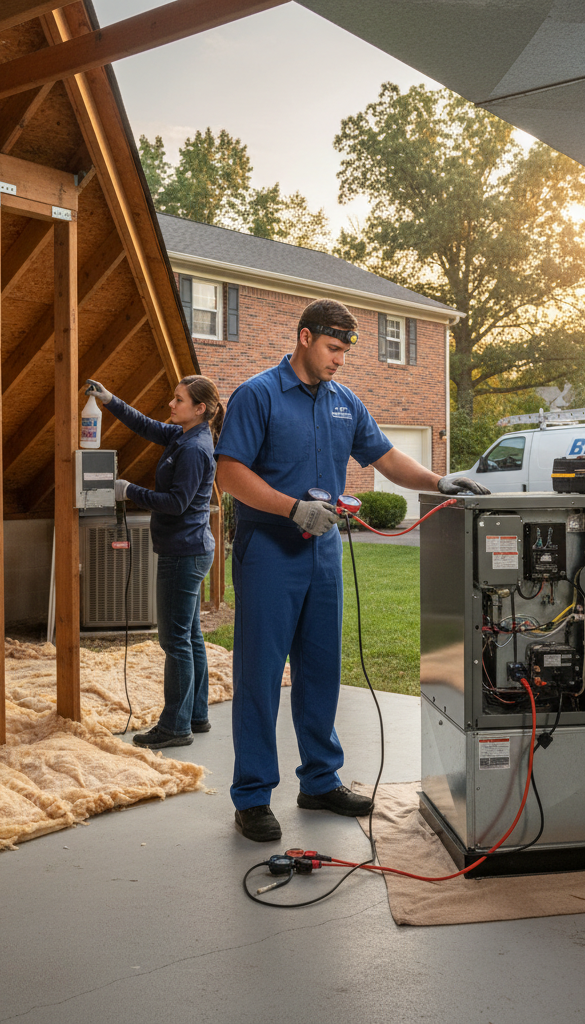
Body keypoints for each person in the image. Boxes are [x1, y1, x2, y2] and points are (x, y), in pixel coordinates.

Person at [214, 298, 489, 842]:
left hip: (323, 554)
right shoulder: (258, 394)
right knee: (260, 677)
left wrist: (440, 482)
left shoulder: (345, 402)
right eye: (333, 348)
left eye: (345, 351)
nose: (340, 360)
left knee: (320, 670)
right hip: (270, 551)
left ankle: (319, 780)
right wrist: (292, 508)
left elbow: (386, 457)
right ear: (304, 337)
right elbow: (228, 474)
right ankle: (251, 796)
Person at [85, 375, 224, 750]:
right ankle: (196, 714)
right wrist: (110, 399)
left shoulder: (195, 448)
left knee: (174, 640)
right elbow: (146, 425)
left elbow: (177, 503)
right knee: (190, 636)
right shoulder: (183, 436)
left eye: (179, 400)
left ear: (199, 409)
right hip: (191, 548)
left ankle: (175, 727)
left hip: (184, 553)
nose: (171, 404)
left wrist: (129, 490)